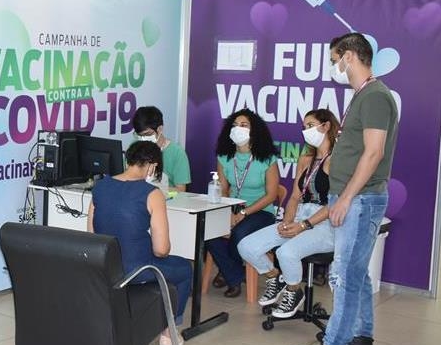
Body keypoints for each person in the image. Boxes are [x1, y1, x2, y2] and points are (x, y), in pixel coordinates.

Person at [290, 32, 398, 345]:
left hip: (361, 199)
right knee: (357, 272)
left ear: (349, 56)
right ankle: (362, 339)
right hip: (354, 196)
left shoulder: (375, 96)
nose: (333, 66)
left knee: (346, 273)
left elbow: (374, 152)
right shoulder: (363, 95)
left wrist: (347, 197)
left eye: (334, 59)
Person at [87, 141, 192, 345]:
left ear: (128, 160)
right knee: (184, 269)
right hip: (137, 270)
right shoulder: (152, 194)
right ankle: (168, 335)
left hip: (105, 267)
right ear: (152, 166)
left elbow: (91, 234)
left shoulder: (100, 187)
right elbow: (161, 250)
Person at [238, 109, 340, 318]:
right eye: (304, 127)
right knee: (246, 246)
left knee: (286, 253)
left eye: (310, 126)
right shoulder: (306, 159)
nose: (306, 131)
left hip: (326, 224)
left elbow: (335, 204)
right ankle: (274, 277)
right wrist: (287, 223)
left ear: (326, 126)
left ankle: (294, 291)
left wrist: (303, 226)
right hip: (299, 217)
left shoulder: (339, 160)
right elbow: (294, 196)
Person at [206, 108, 280, 298]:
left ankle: (229, 274)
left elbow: (271, 195)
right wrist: (229, 213)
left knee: (238, 233)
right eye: (235, 125)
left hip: (261, 211)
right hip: (233, 208)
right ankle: (235, 274)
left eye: (244, 125)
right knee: (208, 231)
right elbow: (223, 190)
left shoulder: (267, 158)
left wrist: (244, 213)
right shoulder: (224, 157)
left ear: (254, 131)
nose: (238, 128)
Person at [133, 106, 191, 191]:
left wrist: (157, 188)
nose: (143, 139)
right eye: (140, 135)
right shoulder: (135, 149)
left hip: (166, 198)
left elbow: (181, 190)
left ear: (160, 129)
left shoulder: (177, 153)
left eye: (147, 134)